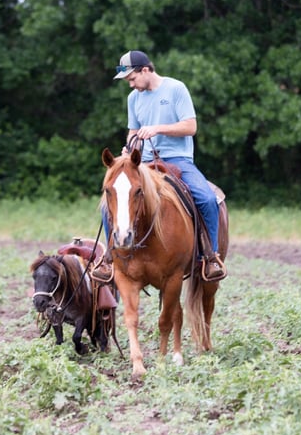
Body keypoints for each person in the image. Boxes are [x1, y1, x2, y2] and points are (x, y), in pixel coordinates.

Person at [92, 50, 227, 282]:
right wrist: (128, 147)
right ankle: (110, 258)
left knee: (206, 198)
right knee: (109, 203)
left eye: (132, 79)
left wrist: (157, 128)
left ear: (145, 70)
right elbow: (133, 131)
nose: (131, 85)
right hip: (143, 163)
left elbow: (190, 127)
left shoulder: (176, 89)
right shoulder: (133, 98)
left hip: (178, 160)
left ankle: (210, 256)